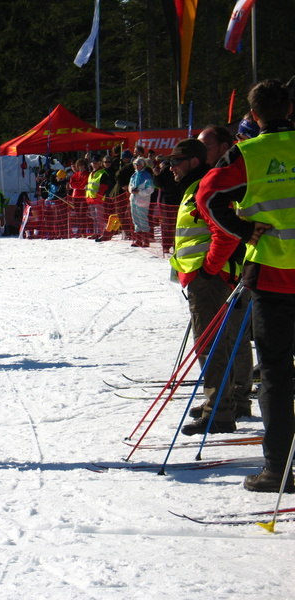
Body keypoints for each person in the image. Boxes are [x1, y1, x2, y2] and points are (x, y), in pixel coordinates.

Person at [196, 79, 295, 493]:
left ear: (254, 115)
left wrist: (240, 229)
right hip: (270, 278)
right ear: (290, 109)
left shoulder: (247, 153)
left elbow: (206, 196)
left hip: (271, 276)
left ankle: (278, 469)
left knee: (276, 373)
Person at [166, 138, 251, 438]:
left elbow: (226, 233)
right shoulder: (194, 187)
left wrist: (207, 270)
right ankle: (223, 403)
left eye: (176, 161)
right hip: (205, 277)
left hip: (209, 279)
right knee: (218, 343)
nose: (171, 167)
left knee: (210, 345)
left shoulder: (204, 187)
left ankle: (219, 411)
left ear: (194, 161)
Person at [127, 157, 155, 247]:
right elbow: (130, 186)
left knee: (143, 220)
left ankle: (146, 240)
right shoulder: (134, 175)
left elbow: (150, 189)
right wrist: (132, 190)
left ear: (143, 165)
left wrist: (139, 192)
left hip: (142, 200)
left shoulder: (147, 175)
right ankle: (138, 240)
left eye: (138, 164)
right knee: (135, 219)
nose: (137, 166)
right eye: (135, 164)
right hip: (133, 200)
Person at [85, 155, 114, 240]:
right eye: (93, 163)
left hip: (98, 199)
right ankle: (96, 232)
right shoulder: (91, 173)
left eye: (96, 163)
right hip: (91, 198)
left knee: (99, 217)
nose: (95, 164)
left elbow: (104, 187)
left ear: (100, 163)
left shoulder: (102, 173)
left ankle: (100, 233)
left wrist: (99, 195)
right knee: (94, 218)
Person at [68, 158, 90, 237]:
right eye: (79, 165)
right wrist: (78, 185)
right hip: (76, 196)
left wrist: (76, 185)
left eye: (82, 165)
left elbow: (83, 184)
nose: (81, 167)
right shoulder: (75, 174)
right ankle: (80, 231)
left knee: (83, 214)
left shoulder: (87, 174)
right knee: (78, 214)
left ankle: (83, 231)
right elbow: (71, 184)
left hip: (84, 196)